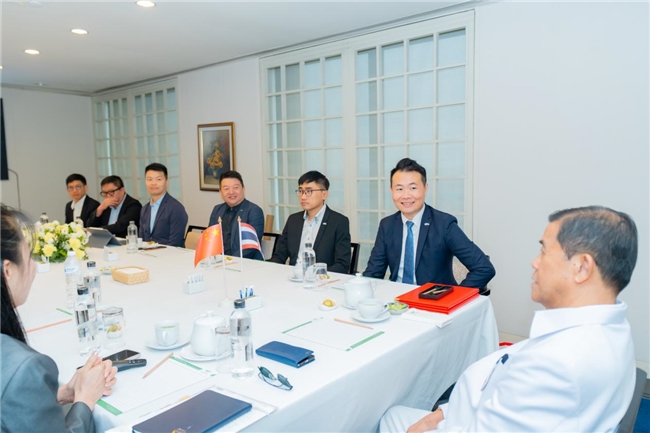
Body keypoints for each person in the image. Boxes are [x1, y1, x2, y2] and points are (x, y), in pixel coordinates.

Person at [380, 206, 637, 433]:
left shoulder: (556, 364)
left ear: (582, 267)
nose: (534, 262)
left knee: (386, 415)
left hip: (471, 421)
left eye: (544, 251)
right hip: (469, 410)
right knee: (393, 414)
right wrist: (443, 413)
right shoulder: (610, 327)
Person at [1, 204, 118, 432]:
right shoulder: (23, 367)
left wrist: (63, 393)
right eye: (29, 256)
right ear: (8, 270)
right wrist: (85, 399)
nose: (34, 267)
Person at [364, 158, 495, 288]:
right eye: (399, 189)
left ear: (425, 189)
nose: (406, 195)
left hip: (433, 298)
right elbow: (373, 273)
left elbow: (484, 268)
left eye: (413, 188)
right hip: (396, 298)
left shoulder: (444, 224)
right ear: (391, 190)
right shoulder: (387, 225)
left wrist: (456, 296)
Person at [270, 171, 351, 274]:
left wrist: (314, 275)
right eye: (300, 191)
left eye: (309, 191)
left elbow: (342, 265)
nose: (303, 197)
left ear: (324, 194)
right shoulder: (293, 220)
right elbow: (279, 256)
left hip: (321, 280)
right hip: (293, 277)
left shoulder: (338, 222)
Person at [208, 170, 264, 260]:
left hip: (244, 263)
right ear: (220, 192)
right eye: (226, 188)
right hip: (219, 261)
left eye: (236, 187)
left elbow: (250, 247)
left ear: (243, 189)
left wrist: (229, 261)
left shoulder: (254, 211)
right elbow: (210, 239)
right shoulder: (217, 210)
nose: (231, 192)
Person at [139, 163, 188, 247]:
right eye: (149, 179)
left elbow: (174, 243)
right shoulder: (144, 209)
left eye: (158, 179)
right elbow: (142, 240)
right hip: (147, 253)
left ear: (166, 182)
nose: (153, 183)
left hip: (170, 253)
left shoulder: (176, 208)